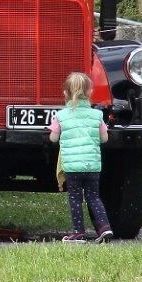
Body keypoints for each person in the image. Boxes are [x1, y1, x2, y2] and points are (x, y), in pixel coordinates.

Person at [49, 72, 113, 243]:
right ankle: (105, 228)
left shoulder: (61, 116)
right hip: (92, 166)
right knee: (94, 197)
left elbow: (53, 138)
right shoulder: (97, 116)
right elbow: (104, 138)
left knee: (75, 199)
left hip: (72, 167)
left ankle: (78, 232)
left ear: (65, 93)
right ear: (90, 92)